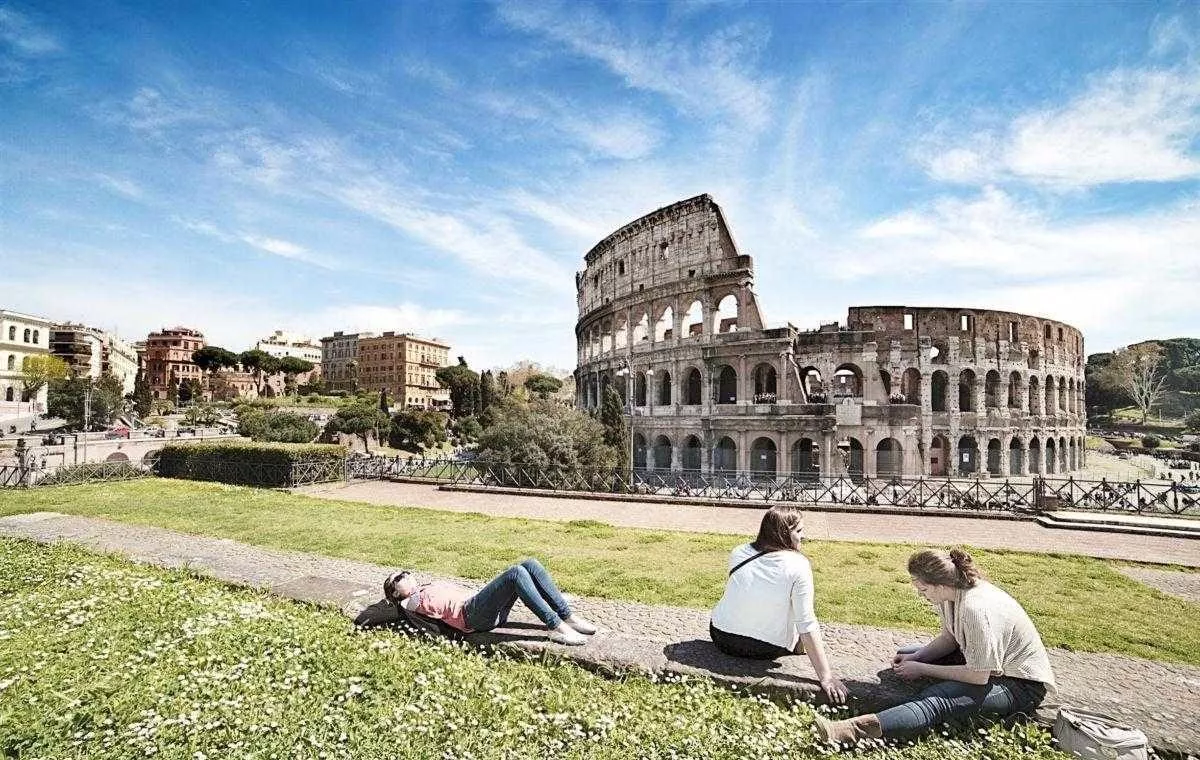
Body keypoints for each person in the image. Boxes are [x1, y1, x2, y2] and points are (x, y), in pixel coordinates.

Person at [815, 548, 1055, 745]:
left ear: (939, 584)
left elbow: (978, 676)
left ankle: (852, 730)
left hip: (1019, 685)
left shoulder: (975, 608)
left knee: (937, 700)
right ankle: (922, 682)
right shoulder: (951, 593)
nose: (921, 596)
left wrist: (923, 668)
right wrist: (917, 658)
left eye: (923, 590)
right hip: (987, 665)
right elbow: (949, 639)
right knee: (906, 654)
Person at [709, 505, 848, 704]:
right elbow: (806, 624)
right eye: (799, 531)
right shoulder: (799, 565)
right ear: (784, 533)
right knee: (799, 611)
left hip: (721, 636)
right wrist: (826, 677)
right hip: (764, 648)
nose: (804, 536)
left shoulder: (739, 551)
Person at [382, 558, 597, 646]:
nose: (406, 575)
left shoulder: (423, 588)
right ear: (396, 593)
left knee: (529, 564)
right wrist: (394, 599)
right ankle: (558, 627)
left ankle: (568, 616)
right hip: (471, 615)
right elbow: (395, 606)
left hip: (481, 606)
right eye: (399, 578)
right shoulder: (409, 602)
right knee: (515, 574)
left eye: (405, 572)